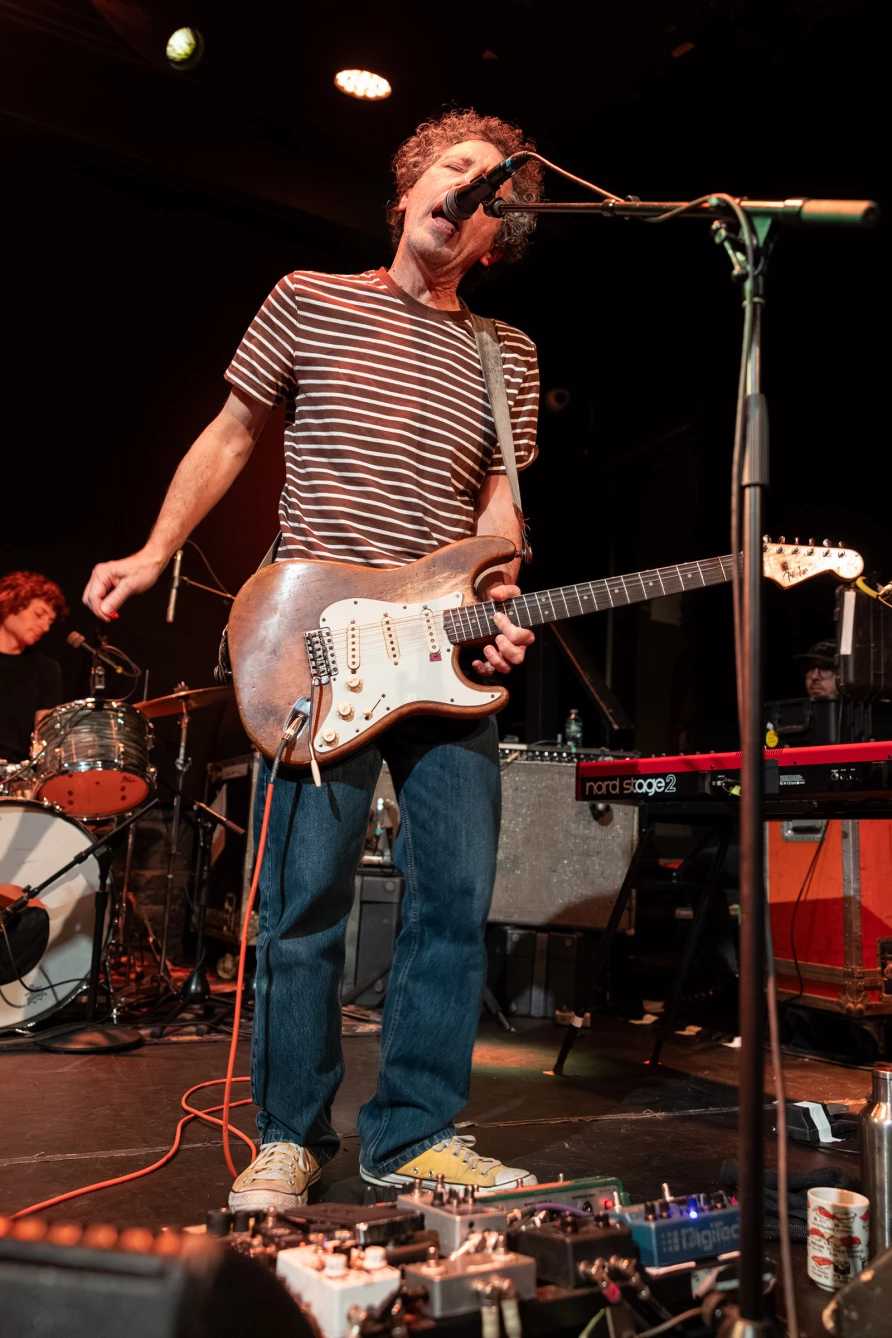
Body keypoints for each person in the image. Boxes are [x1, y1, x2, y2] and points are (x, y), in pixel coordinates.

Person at [83, 109, 545, 1208]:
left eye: (492, 190)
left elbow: (501, 511)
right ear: (409, 188)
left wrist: (500, 600)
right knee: (301, 910)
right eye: (454, 169)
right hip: (320, 646)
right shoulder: (308, 297)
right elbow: (232, 431)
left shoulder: (508, 354)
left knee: (453, 906)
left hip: (445, 661)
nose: (468, 190)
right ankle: (290, 1136)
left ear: (498, 237)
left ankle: (414, 1133)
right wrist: (154, 551)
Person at [0, 571, 67, 763]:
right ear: (9, 603)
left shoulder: (46, 669)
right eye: (39, 614)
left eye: (50, 621)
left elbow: (44, 738)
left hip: (14, 774)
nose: (45, 627)